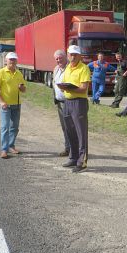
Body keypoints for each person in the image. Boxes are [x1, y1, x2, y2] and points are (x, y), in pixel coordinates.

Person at [56, 45, 91, 173]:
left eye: (76, 54)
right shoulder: (67, 69)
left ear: (80, 56)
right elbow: (63, 84)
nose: (73, 56)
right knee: (70, 131)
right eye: (71, 54)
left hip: (79, 103)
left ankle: (82, 161)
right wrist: (62, 87)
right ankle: (73, 157)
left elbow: (83, 88)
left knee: (81, 133)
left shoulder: (84, 68)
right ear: (68, 54)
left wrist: (69, 88)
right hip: (67, 102)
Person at [0, 52, 26, 159]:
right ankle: (4, 149)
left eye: (14, 59)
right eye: (10, 59)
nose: (12, 61)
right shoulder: (0, 73)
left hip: (17, 104)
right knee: (5, 127)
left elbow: (24, 89)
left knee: (15, 127)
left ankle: (11, 145)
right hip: (5, 105)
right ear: (6, 61)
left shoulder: (19, 74)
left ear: (17, 61)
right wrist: (2, 101)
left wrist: (21, 88)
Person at [53, 49, 70, 157]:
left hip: (69, 102)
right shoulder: (56, 69)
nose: (58, 60)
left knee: (71, 127)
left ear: (65, 58)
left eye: (60, 58)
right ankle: (68, 148)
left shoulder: (70, 68)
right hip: (59, 103)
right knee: (64, 127)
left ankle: (74, 150)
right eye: (57, 59)